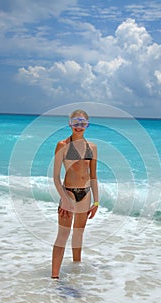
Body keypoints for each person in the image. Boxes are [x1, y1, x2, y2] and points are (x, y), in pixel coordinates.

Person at [51, 109, 99, 279]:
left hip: (86, 195)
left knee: (79, 234)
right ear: (70, 124)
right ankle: (54, 278)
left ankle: (76, 271)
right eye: (75, 122)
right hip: (69, 193)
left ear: (87, 125)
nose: (79, 127)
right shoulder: (62, 145)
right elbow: (56, 177)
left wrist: (96, 202)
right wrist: (64, 199)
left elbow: (93, 176)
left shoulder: (92, 147)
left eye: (83, 123)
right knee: (63, 235)